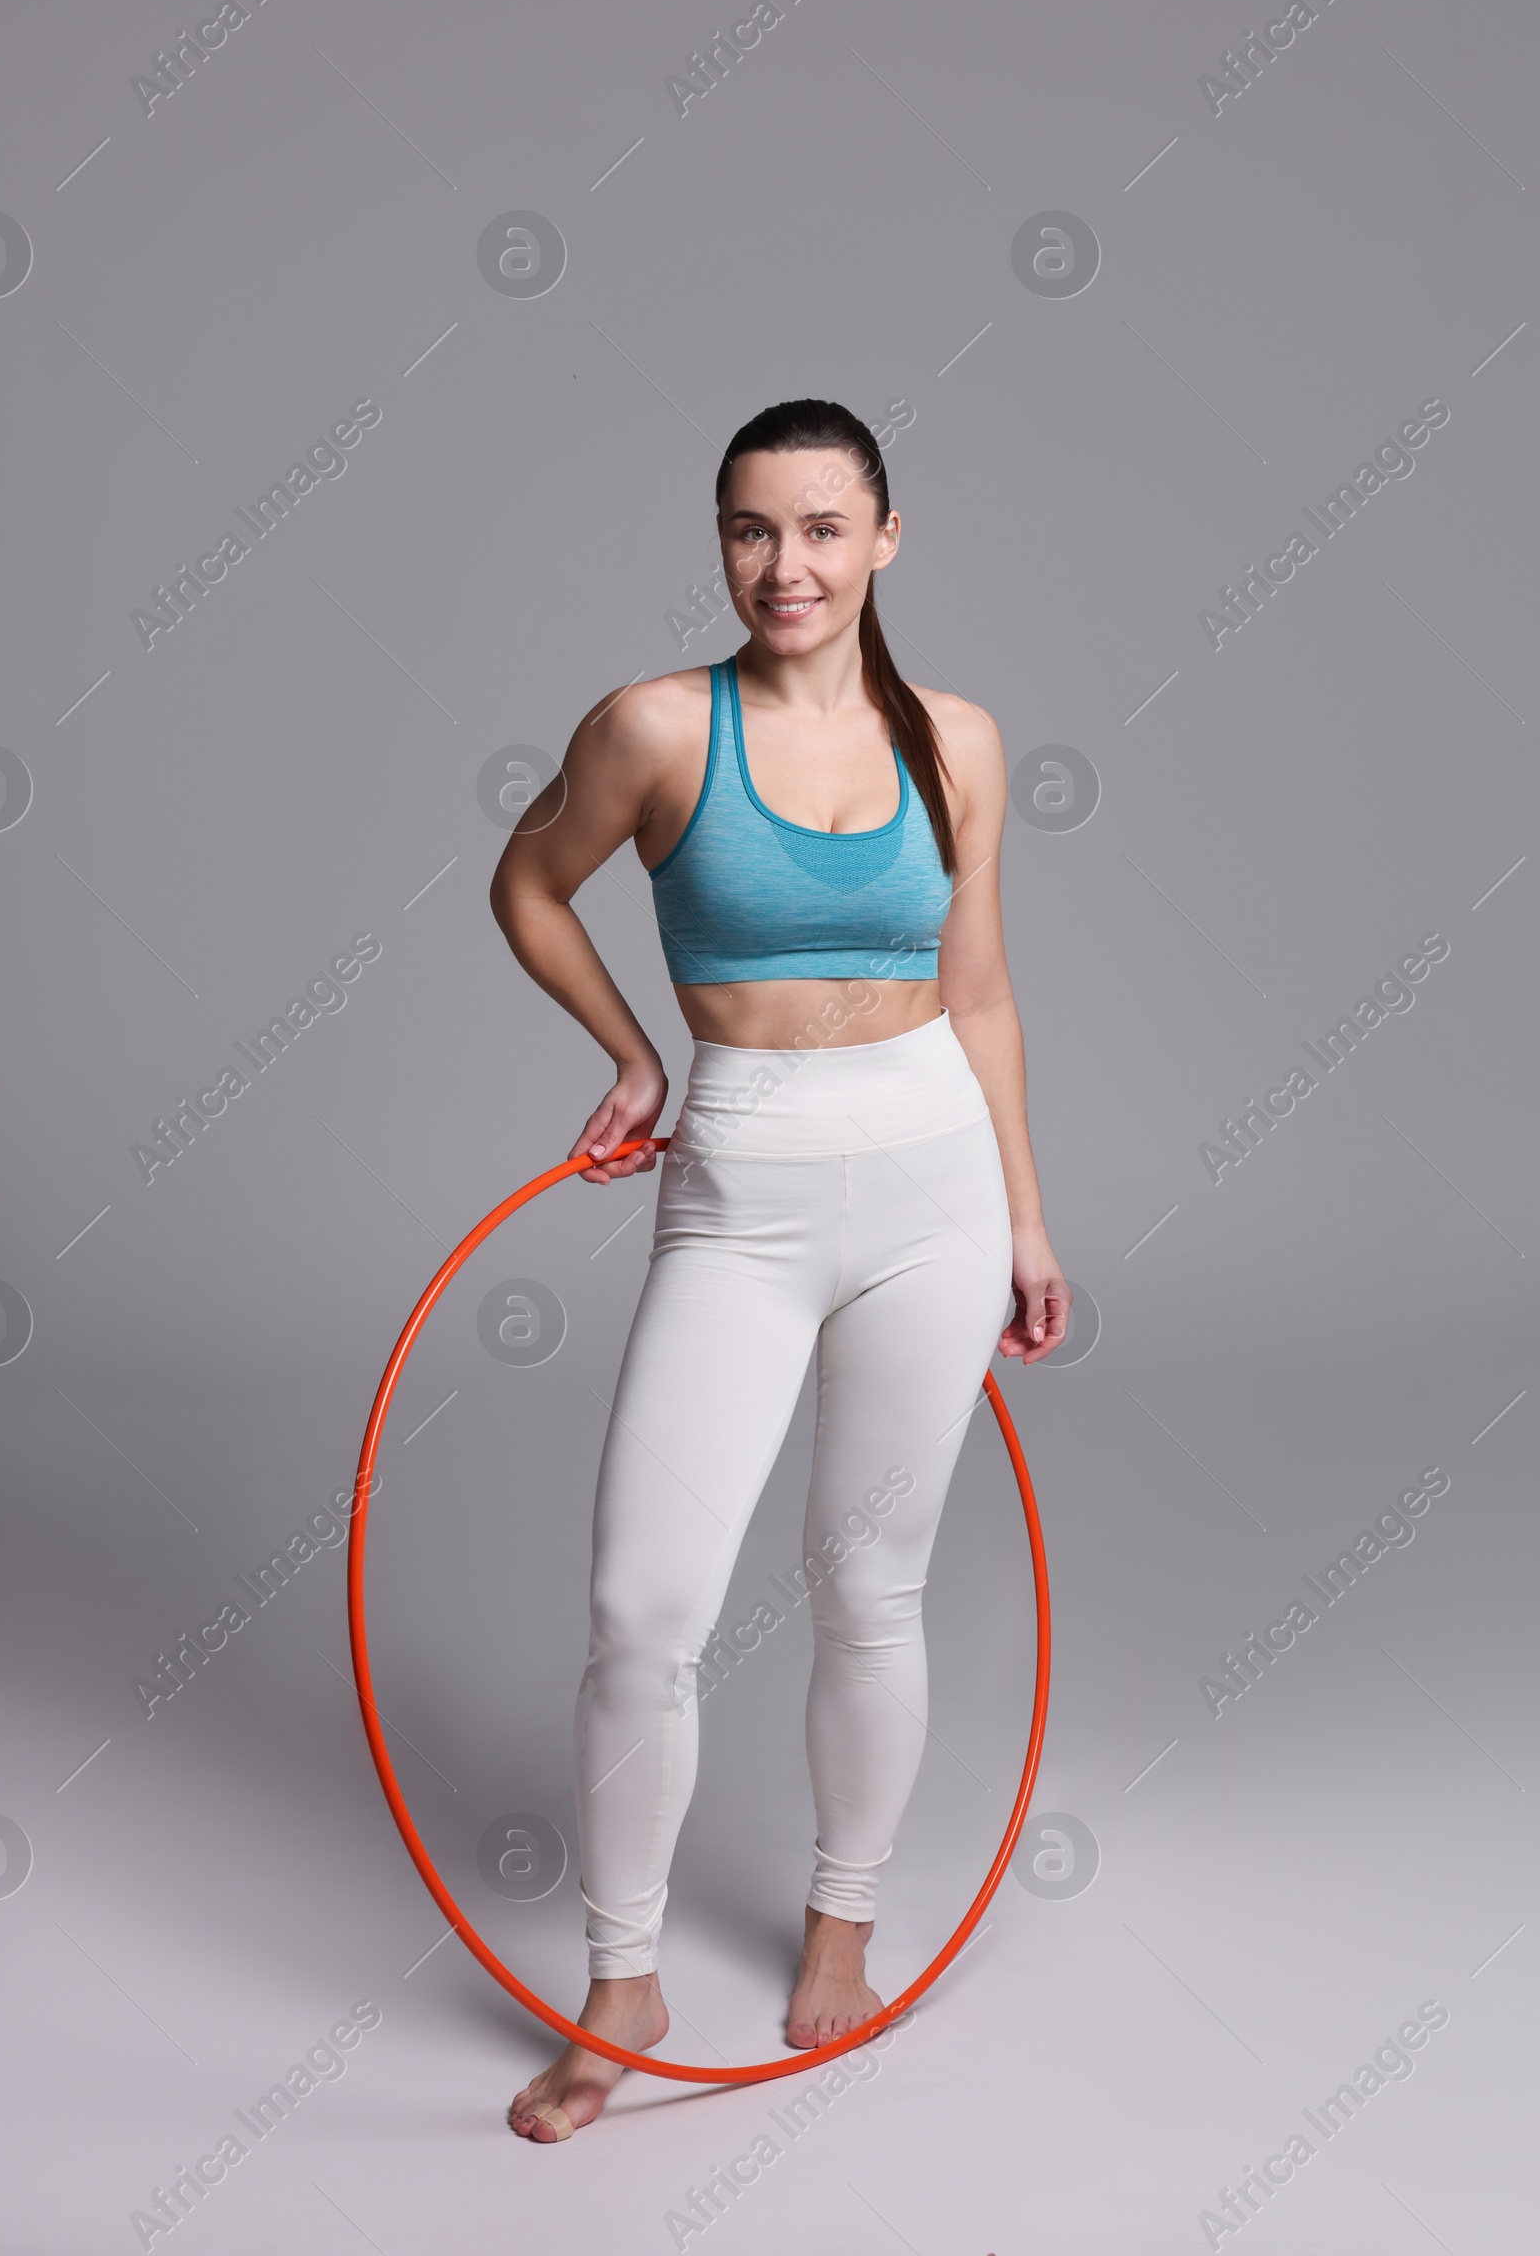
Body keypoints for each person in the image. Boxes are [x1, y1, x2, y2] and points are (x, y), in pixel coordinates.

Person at [489, 398, 1070, 2142]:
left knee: (867, 1587)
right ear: (721, 542)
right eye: (753, 530)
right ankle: (624, 1978)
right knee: (639, 1614)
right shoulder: (655, 727)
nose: (786, 564)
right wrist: (632, 1058)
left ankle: (844, 1917)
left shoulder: (959, 739)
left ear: (886, 538)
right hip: (739, 1184)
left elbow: (979, 993)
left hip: (934, 1192)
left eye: (823, 528)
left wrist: (1030, 1218)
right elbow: (527, 881)